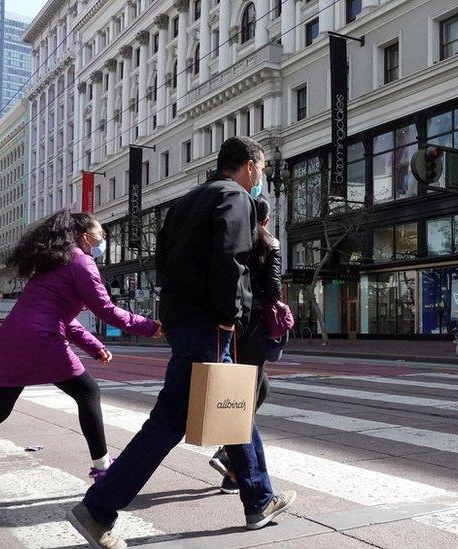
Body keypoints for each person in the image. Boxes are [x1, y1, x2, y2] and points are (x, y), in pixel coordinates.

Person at [69, 137, 296, 549]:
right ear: (248, 166)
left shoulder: (186, 202)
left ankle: (259, 498)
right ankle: (98, 509)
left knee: (233, 405)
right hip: (211, 323)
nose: (259, 177)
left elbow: (164, 264)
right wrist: (228, 316)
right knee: (172, 420)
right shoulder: (236, 197)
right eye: (259, 169)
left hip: (185, 320)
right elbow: (231, 259)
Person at [0, 210, 162, 511]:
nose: (103, 239)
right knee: (87, 391)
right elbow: (105, 309)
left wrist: (93, 345)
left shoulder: (57, 262)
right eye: (101, 233)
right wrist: (150, 326)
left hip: (14, 337)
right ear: (84, 236)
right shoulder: (82, 261)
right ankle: (103, 470)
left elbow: (63, 316)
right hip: (40, 338)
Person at [209, 197, 279, 495]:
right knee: (246, 397)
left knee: (256, 390)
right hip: (255, 327)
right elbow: (274, 289)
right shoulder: (268, 243)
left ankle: (232, 470)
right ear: (265, 219)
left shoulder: (234, 239)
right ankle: (228, 455)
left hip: (230, 323)